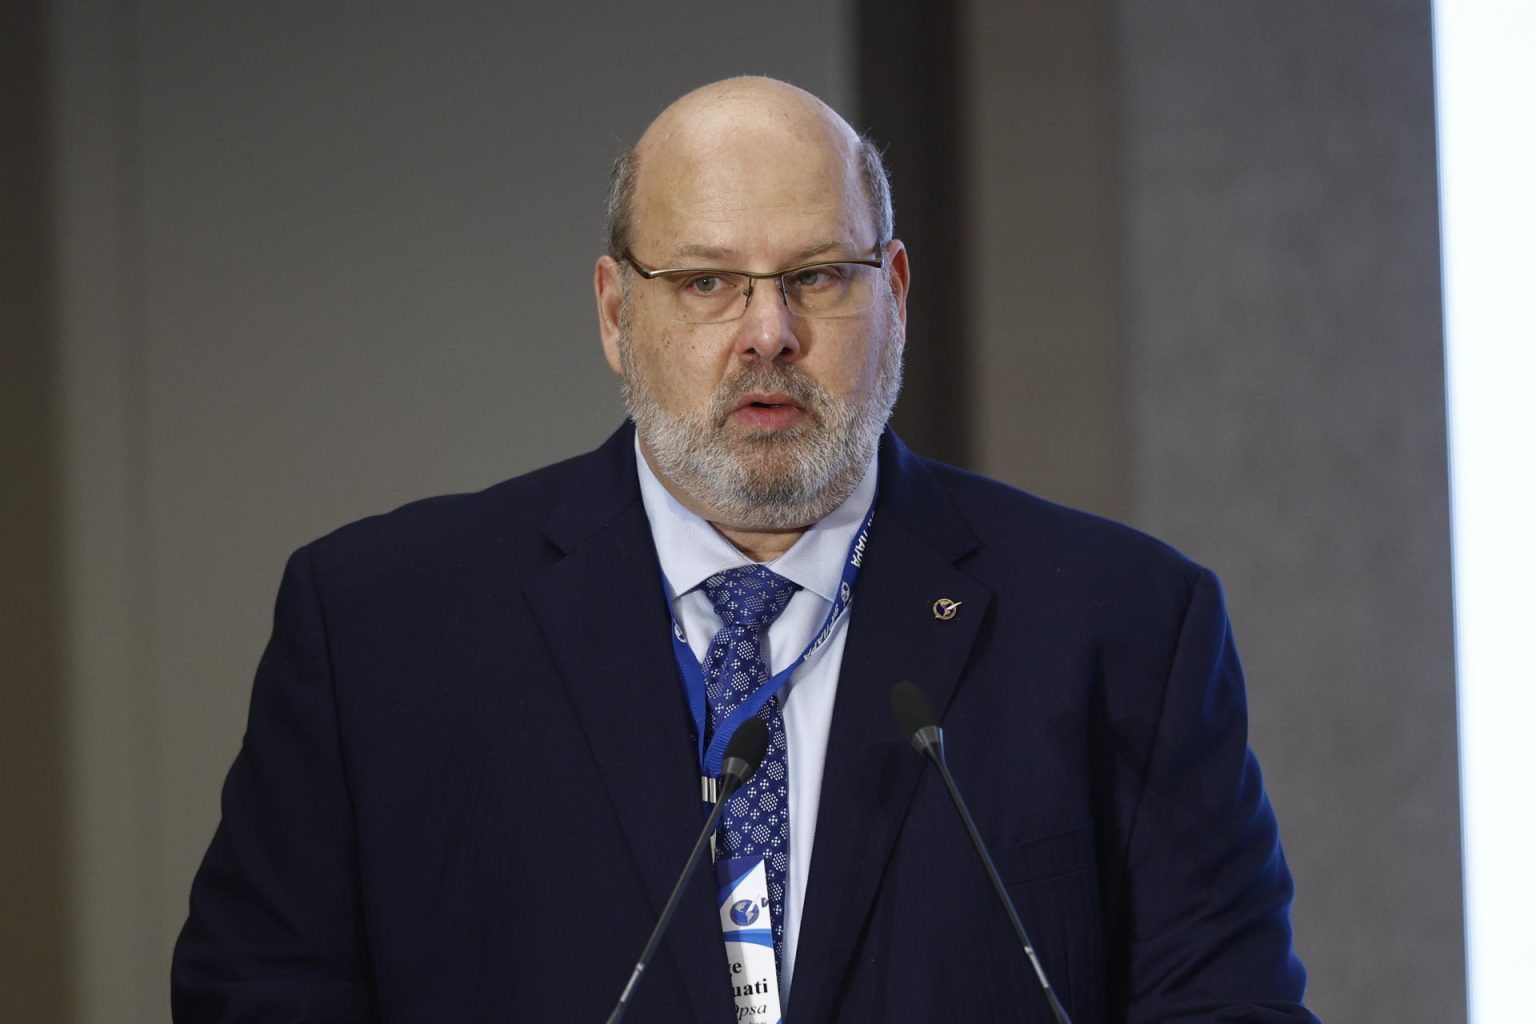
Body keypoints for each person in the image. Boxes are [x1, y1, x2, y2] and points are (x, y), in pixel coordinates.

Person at [172, 77, 1317, 1023]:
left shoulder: (1120, 626)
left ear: (897, 295)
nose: (769, 333)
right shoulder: (383, 632)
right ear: (617, 314)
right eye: (709, 281)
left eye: (818, 275)